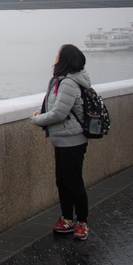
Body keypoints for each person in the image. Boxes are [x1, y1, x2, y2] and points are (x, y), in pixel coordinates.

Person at [30, 44, 91, 240]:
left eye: (58, 54)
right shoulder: (61, 81)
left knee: (73, 183)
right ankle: (66, 219)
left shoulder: (68, 84)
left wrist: (37, 120)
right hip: (62, 140)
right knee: (62, 182)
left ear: (64, 59)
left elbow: (59, 113)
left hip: (72, 140)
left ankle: (81, 222)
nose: (55, 56)